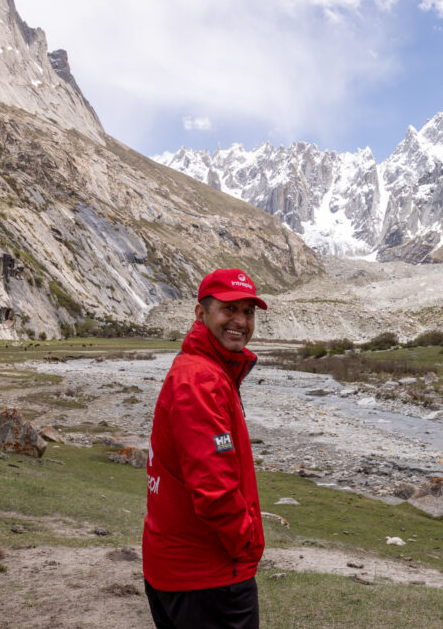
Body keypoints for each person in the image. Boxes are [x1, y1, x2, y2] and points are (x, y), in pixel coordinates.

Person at [143, 268, 267, 628]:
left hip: (180, 566)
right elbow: (213, 488)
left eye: (248, 312)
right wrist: (248, 544)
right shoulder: (202, 379)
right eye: (229, 309)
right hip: (208, 576)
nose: (240, 321)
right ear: (201, 314)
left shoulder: (200, 369)